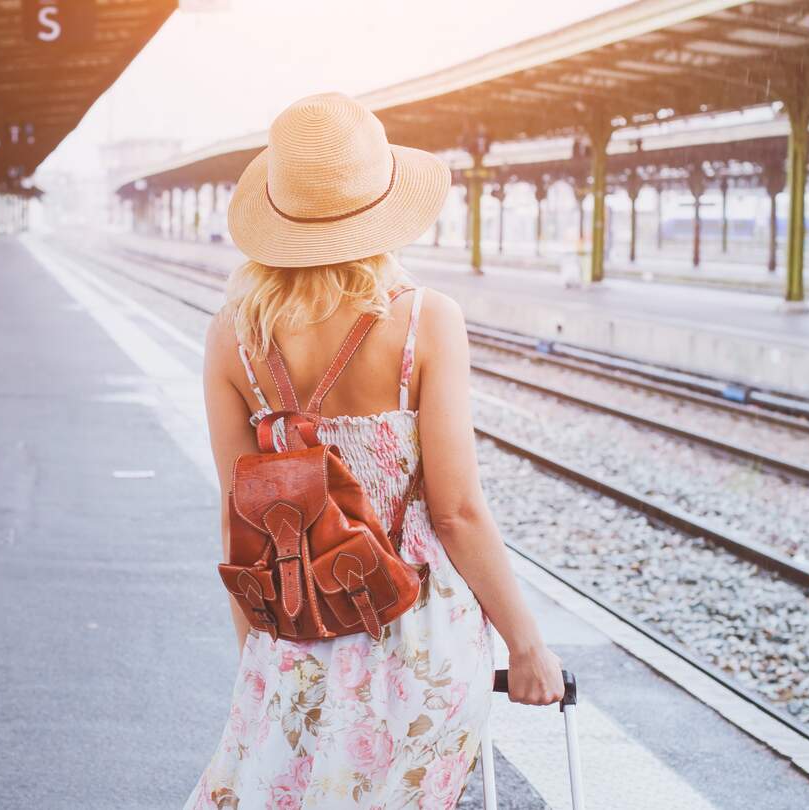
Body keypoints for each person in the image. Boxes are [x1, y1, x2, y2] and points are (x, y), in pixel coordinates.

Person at [186, 92, 565, 809]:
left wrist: (260, 656)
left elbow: (239, 520)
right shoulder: (426, 322)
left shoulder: (231, 337)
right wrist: (526, 647)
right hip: (420, 638)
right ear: (382, 206)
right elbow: (456, 513)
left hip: (294, 633)